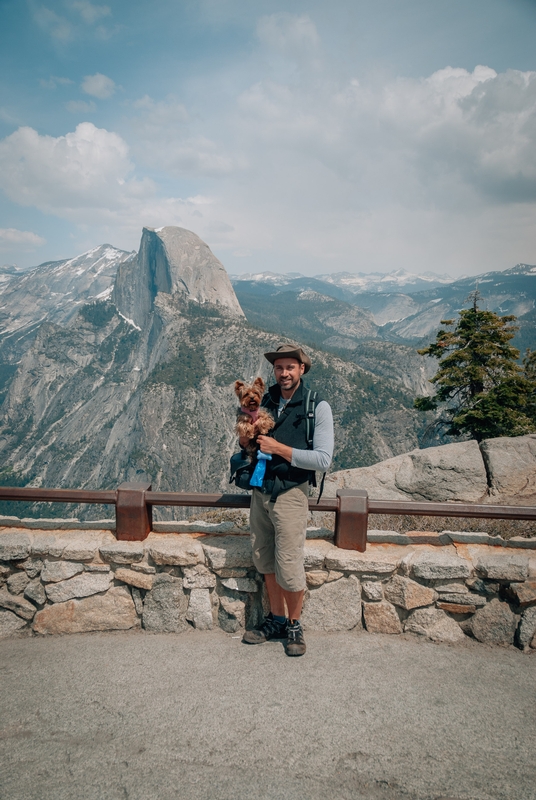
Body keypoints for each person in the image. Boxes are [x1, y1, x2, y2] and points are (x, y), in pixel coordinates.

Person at [240, 343, 334, 656]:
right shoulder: (263, 400)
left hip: (291, 493)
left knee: (289, 562)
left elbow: (323, 459)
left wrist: (280, 449)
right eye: (279, 368)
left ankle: (294, 624)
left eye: (290, 368)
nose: (284, 374)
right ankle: (277, 619)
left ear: (301, 369)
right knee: (265, 557)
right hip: (261, 489)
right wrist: (245, 441)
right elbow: (249, 446)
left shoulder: (316, 406)